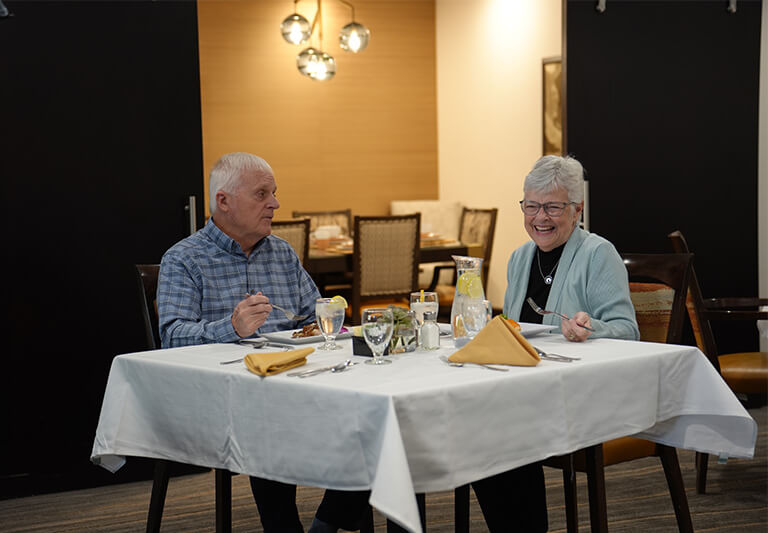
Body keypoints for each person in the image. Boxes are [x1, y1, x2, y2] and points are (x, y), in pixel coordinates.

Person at [157, 152, 369, 533]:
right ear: (224, 201)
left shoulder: (282, 253)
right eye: (262, 194)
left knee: (371, 417)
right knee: (269, 419)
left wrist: (333, 326)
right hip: (226, 398)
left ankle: (326, 523)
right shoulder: (184, 259)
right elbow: (171, 337)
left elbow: (314, 318)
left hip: (295, 383)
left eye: (274, 193)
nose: (275, 203)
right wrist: (231, 327)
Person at [472, 155, 640, 532]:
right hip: (524, 388)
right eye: (531, 206)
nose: (540, 217)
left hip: (578, 394)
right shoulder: (519, 258)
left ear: (577, 209)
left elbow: (628, 331)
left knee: (496, 429)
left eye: (553, 207)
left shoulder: (598, 254)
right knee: (473, 424)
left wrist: (591, 326)